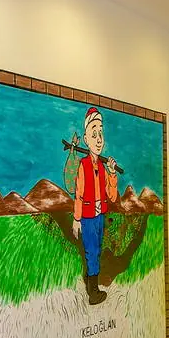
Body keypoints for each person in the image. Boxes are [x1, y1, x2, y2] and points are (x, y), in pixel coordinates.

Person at [63, 107, 120, 305]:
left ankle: (90, 282)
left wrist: (112, 173)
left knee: (96, 250)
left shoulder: (103, 169)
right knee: (92, 251)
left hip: (99, 216)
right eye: (93, 134)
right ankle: (93, 292)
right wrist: (77, 219)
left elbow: (111, 196)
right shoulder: (83, 165)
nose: (98, 139)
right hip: (87, 217)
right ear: (86, 140)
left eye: (100, 134)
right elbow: (78, 194)